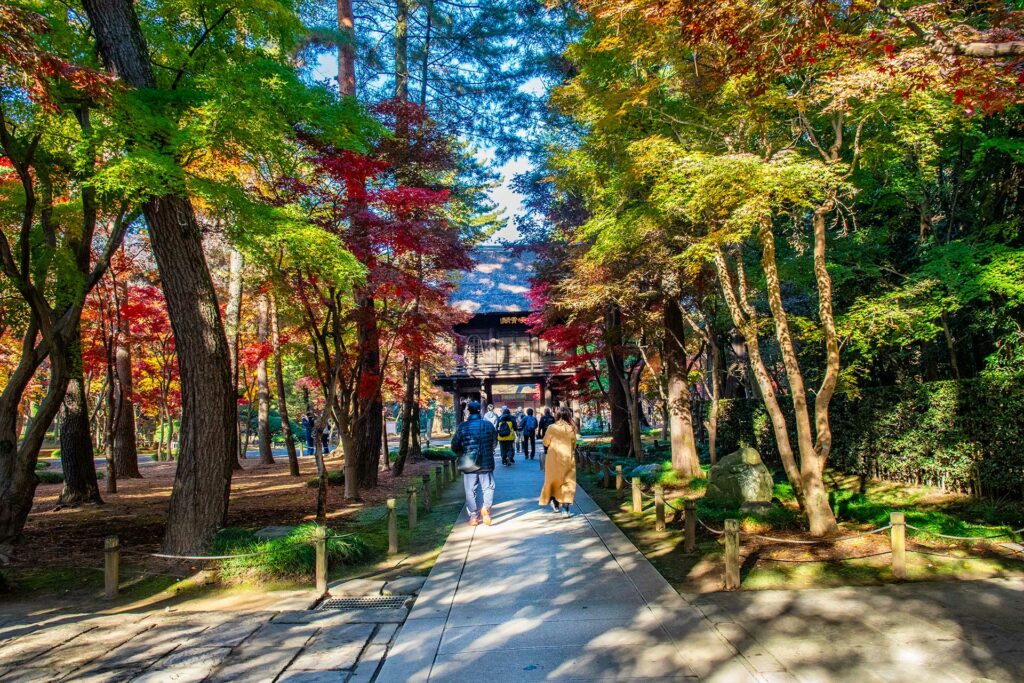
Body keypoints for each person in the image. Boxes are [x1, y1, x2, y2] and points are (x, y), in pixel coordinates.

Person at [450, 400, 497, 526]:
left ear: (469, 411)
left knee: (470, 490)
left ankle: (474, 516)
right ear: (480, 411)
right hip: (486, 462)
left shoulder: (462, 426)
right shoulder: (488, 425)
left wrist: (463, 453)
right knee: (488, 487)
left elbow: (454, 446)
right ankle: (486, 509)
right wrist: (489, 450)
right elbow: (494, 442)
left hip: (469, 463)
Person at [539, 406, 578, 518]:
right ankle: (565, 510)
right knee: (568, 483)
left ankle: (555, 503)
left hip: (553, 459)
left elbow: (545, 442)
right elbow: (574, 444)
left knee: (552, 481)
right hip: (567, 459)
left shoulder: (551, 427)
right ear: (568, 416)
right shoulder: (571, 428)